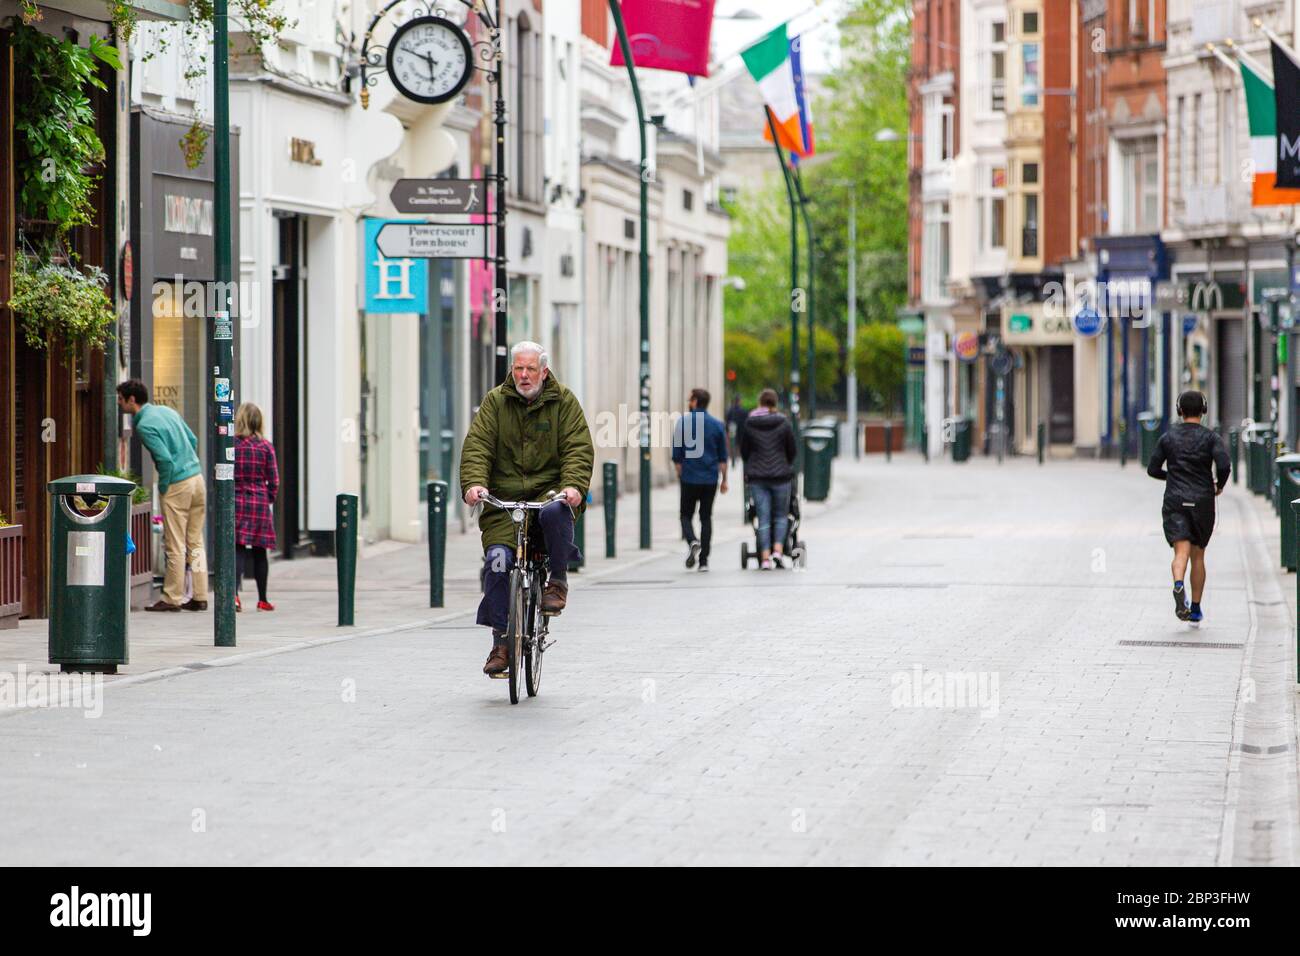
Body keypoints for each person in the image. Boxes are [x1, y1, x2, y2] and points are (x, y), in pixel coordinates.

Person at [460, 341, 595, 677]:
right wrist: (474, 485)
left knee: (555, 513)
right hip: (505, 504)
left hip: (548, 495)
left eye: (530, 369)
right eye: (518, 369)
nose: (523, 375)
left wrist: (573, 487)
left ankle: (557, 582)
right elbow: (477, 446)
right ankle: (502, 643)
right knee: (497, 562)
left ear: (543, 371)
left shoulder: (563, 402)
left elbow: (577, 448)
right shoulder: (495, 403)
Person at [116, 379, 208, 611]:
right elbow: (193, 440)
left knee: (175, 542)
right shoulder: (166, 411)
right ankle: (199, 594)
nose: (118, 403)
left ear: (132, 400)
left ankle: (172, 597)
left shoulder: (145, 424)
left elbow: (164, 459)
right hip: (197, 479)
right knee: (195, 541)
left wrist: (164, 486)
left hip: (177, 483)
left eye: (120, 399)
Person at [1147, 390, 1231, 623]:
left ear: (1179, 411)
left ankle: (1177, 584)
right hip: (1202, 500)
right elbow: (1224, 465)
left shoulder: (1167, 438)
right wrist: (1218, 485)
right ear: (1203, 411)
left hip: (1175, 499)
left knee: (1180, 552)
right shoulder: (1211, 438)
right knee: (1199, 556)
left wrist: (1172, 477)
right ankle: (1195, 608)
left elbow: (1152, 469)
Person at [672, 387, 729, 572]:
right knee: (706, 517)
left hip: (689, 477)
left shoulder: (683, 423)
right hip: (710, 478)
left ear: (696, 401)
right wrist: (724, 480)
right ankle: (704, 561)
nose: (689, 402)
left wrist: (681, 475)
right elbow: (723, 458)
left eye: (690, 399)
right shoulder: (718, 425)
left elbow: (677, 456)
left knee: (685, 515)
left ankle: (692, 541)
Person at [740, 388, 797, 570]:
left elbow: (744, 451)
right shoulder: (784, 422)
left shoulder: (750, 423)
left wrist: (752, 465)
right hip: (781, 476)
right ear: (775, 403)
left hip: (757, 477)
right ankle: (778, 552)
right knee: (781, 516)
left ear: (760, 403)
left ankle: (764, 558)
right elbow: (792, 450)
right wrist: (784, 463)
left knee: (763, 518)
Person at [233, 402, 280, 612]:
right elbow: (274, 480)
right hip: (259, 502)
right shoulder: (266, 447)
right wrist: (267, 497)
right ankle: (262, 599)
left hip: (237, 500)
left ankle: (233, 596)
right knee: (260, 552)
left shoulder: (231, 446)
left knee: (238, 549)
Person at [725, 396, 749, 469]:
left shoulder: (730, 411)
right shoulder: (744, 411)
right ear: (739, 401)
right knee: (741, 445)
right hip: (742, 431)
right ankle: (742, 459)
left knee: (733, 445)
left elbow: (727, 421)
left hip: (733, 430)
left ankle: (733, 461)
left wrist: (727, 430)